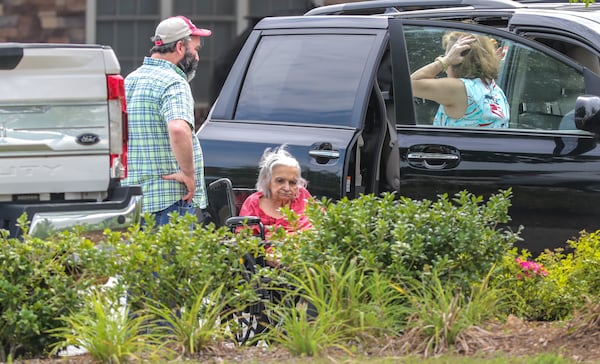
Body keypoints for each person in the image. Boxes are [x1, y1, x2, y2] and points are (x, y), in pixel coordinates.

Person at [123, 16, 212, 226]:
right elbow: (179, 129)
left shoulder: (130, 80)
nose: (197, 58)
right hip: (169, 201)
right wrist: (189, 175)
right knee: (173, 260)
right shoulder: (174, 82)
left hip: (133, 201)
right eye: (195, 49)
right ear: (180, 47)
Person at [411, 31, 510, 128]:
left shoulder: (460, 89)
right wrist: (489, 63)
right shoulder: (494, 90)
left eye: (447, 55)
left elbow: (409, 85)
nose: (445, 68)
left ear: (457, 60)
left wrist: (445, 61)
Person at [239, 145, 313, 239]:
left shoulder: (302, 197)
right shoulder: (254, 203)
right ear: (267, 181)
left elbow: (320, 226)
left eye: (292, 183)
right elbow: (243, 240)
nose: (287, 188)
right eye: (280, 181)